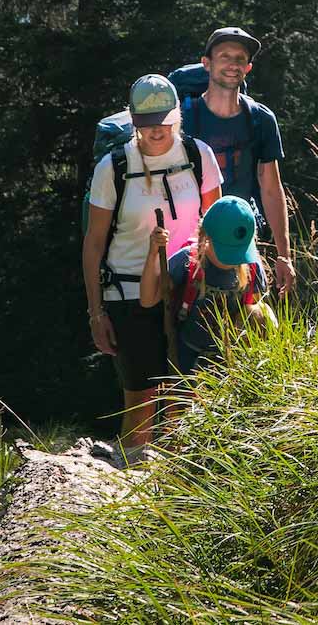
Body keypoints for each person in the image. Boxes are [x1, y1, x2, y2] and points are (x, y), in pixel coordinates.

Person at [83, 73, 222, 461]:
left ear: (177, 116)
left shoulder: (198, 157)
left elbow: (215, 225)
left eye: (163, 122)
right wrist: (96, 313)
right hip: (127, 292)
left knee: (187, 392)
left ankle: (173, 489)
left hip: (189, 289)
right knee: (141, 394)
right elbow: (93, 244)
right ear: (133, 122)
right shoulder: (114, 167)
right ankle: (131, 478)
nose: (156, 132)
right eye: (146, 125)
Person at [182, 27, 296, 297]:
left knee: (249, 320)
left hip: (241, 237)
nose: (233, 64)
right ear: (206, 63)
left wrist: (284, 256)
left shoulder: (260, 119)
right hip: (193, 240)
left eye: (240, 58)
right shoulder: (184, 118)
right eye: (224, 56)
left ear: (248, 67)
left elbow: (270, 187)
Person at [142, 195, 278, 378]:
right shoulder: (187, 261)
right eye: (227, 252)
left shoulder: (251, 267)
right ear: (206, 237)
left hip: (231, 365)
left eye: (238, 252)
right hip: (187, 360)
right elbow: (148, 299)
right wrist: (152, 255)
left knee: (260, 313)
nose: (234, 260)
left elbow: (252, 312)